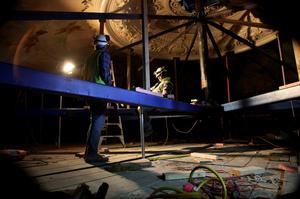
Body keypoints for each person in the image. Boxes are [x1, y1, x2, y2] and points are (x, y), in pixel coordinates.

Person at [82, 34, 112, 163]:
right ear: (105, 45)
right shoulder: (103, 54)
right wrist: (111, 89)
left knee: (94, 121)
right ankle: (92, 154)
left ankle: (89, 152)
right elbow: (105, 74)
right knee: (98, 122)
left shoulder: (89, 57)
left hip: (90, 92)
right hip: (100, 92)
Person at [144, 66, 174, 137]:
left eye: (159, 75)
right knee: (140, 107)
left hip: (159, 104)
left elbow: (165, 95)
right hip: (153, 103)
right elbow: (149, 90)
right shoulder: (158, 84)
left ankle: (148, 129)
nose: (158, 77)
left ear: (162, 75)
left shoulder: (167, 83)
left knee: (141, 108)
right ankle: (147, 127)